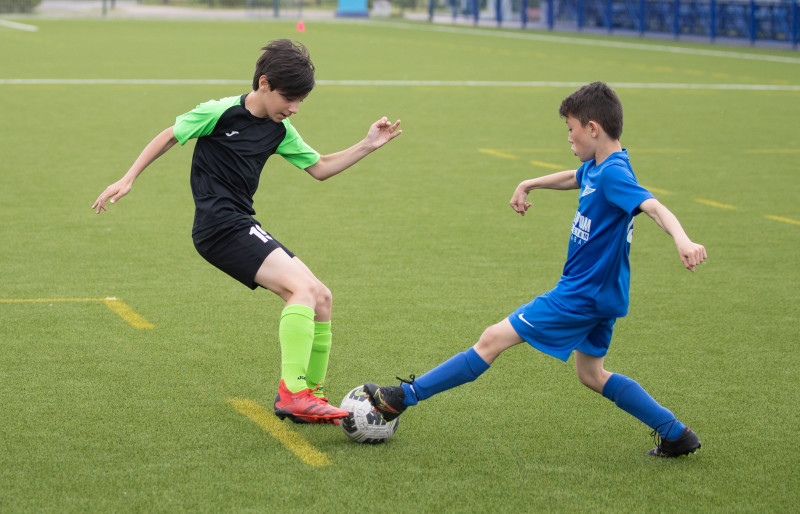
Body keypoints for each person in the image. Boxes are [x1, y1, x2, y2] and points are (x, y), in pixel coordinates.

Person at [364, 81, 705, 457]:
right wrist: (529, 183)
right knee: (591, 375)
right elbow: (572, 178)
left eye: (571, 129)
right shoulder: (598, 166)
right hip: (603, 296)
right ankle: (675, 433)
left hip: (580, 295)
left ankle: (403, 397)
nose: (569, 137)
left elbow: (653, 205)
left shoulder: (614, 175)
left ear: (593, 128)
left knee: (492, 339)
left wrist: (682, 239)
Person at [93, 39, 402, 425]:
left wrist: (368, 145)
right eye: (289, 97)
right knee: (301, 291)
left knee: (322, 297)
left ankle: (311, 394)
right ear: (265, 83)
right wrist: (128, 178)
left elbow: (320, 167)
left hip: (241, 222)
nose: (293, 108)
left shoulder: (280, 130)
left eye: (300, 101)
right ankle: (293, 393)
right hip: (218, 226)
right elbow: (170, 135)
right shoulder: (219, 112)